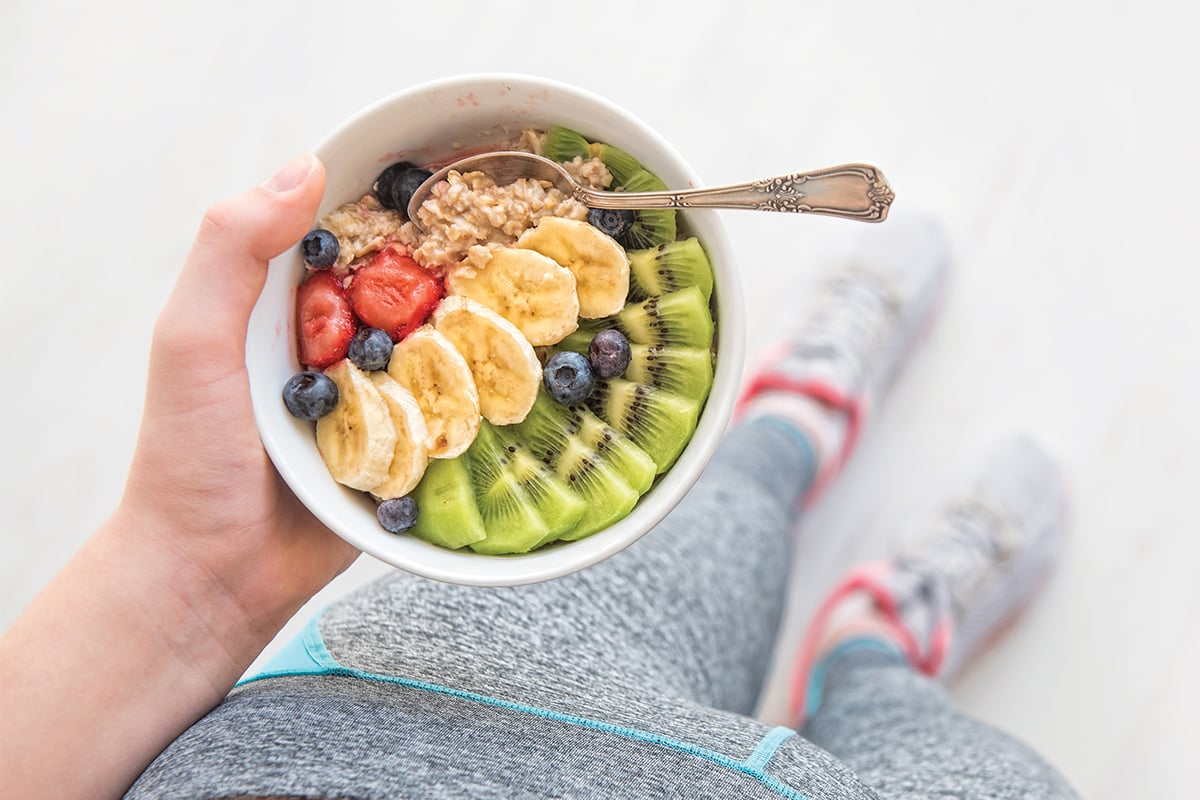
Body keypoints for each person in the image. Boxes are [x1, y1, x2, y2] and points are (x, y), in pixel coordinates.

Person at [0, 154, 1080, 799]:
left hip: (412, 704)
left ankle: (782, 428)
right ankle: (874, 644)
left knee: (718, 517)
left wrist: (192, 578)